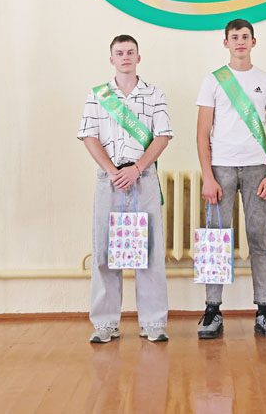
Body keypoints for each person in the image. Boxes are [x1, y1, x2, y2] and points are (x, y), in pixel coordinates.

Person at [78, 34, 172, 343]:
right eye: (119, 53)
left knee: (151, 251)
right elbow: (89, 136)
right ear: (112, 59)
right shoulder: (98, 95)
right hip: (110, 179)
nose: (125, 57)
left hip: (143, 178)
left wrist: (137, 169)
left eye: (130, 52)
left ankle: (153, 322)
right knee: (104, 252)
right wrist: (113, 171)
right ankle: (105, 323)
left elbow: (162, 136)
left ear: (138, 57)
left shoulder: (154, 94)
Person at [195, 19, 266, 339]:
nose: (240, 42)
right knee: (216, 238)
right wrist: (208, 177)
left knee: (258, 238)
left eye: (245, 37)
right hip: (221, 168)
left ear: (253, 41)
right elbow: (202, 132)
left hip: (258, 168)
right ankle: (212, 309)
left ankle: (264, 308)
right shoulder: (213, 80)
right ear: (226, 43)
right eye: (235, 37)